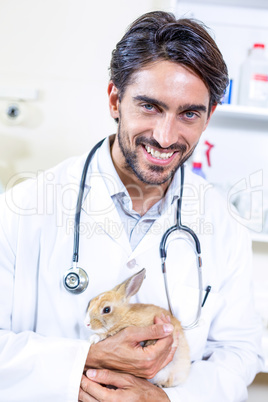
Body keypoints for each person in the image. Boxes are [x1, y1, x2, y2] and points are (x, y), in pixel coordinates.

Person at [0, 11, 263, 402]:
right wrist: (83, 360)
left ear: (209, 118)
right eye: (150, 107)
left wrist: (168, 399)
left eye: (189, 113)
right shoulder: (25, 206)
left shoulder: (223, 223)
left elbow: (241, 351)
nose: (165, 136)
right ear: (114, 101)